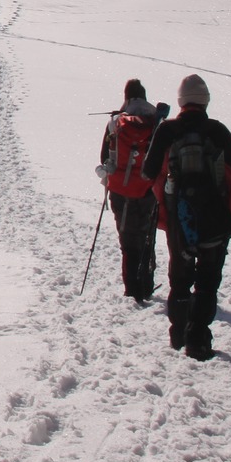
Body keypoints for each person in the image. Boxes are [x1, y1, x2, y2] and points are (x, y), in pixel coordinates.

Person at [141, 74, 231, 361]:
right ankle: (198, 340)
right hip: (214, 214)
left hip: (178, 215)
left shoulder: (168, 130)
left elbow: (148, 171)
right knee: (208, 281)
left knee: (180, 278)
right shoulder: (217, 130)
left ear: (181, 101)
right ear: (205, 101)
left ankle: (178, 335)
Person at [96, 79, 164, 306]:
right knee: (146, 236)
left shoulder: (116, 122)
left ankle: (132, 289)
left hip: (120, 190)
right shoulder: (156, 122)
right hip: (147, 190)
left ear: (126, 97)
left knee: (127, 240)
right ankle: (146, 284)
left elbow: (104, 156)